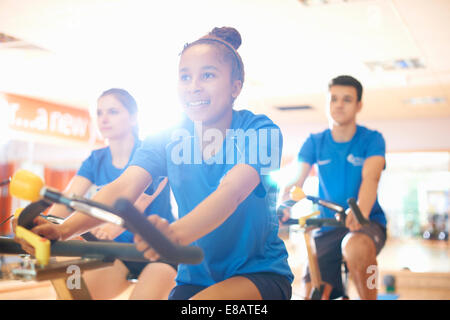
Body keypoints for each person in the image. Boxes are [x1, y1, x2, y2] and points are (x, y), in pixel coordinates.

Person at [17, 27, 293, 300]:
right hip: (195, 275)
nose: (193, 86)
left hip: (259, 276)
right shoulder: (167, 138)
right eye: (185, 77)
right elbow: (123, 186)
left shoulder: (260, 131)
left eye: (207, 75)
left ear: (236, 86)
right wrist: (63, 229)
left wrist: (174, 234)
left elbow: (231, 193)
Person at [42, 88, 177, 300]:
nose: (104, 119)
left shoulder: (152, 151)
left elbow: (139, 201)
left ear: (133, 118)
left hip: (158, 249)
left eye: (113, 112)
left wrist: (107, 228)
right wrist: (46, 223)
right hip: (118, 252)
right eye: (99, 113)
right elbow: (68, 199)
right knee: (75, 297)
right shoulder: (96, 159)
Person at [281, 75, 387, 300]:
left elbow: (371, 179)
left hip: (367, 223)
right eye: (334, 99)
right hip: (328, 227)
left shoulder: (372, 139)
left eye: (347, 99)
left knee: (355, 246)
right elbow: (296, 181)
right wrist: (285, 205)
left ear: (359, 105)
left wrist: (360, 212)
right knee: (314, 293)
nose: (339, 104)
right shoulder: (314, 141)